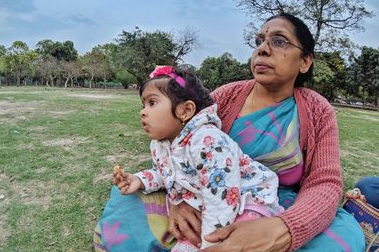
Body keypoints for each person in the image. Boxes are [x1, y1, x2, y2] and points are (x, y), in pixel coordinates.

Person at [168, 12, 365, 252]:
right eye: (259, 40)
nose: (262, 49)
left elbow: (325, 182)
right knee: (130, 205)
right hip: (209, 197)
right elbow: (178, 146)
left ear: (305, 61)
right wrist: (178, 200)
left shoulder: (318, 110)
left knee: (345, 238)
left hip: (284, 207)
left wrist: (283, 229)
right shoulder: (223, 98)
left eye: (279, 41)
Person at [111, 65, 283, 251]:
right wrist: (139, 180)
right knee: (185, 246)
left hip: (246, 199)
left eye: (152, 103)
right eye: (143, 105)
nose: (143, 112)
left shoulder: (207, 140)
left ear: (185, 111)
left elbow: (222, 199)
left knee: (239, 242)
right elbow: (166, 173)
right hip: (207, 204)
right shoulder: (160, 145)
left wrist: (209, 244)